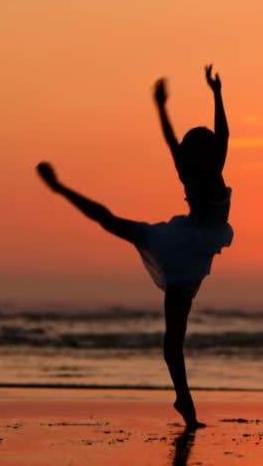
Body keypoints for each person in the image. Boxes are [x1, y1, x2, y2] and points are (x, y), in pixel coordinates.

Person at [36, 65, 232, 429]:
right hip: (186, 248)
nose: (211, 150)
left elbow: (187, 139)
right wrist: (214, 94)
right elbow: (216, 136)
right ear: (203, 153)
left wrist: (165, 106)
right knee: (174, 336)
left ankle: (60, 189)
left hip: (180, 243)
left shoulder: (193, 170)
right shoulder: (208, 170)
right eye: (205, 147)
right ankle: (185, 402)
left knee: (112, 224)